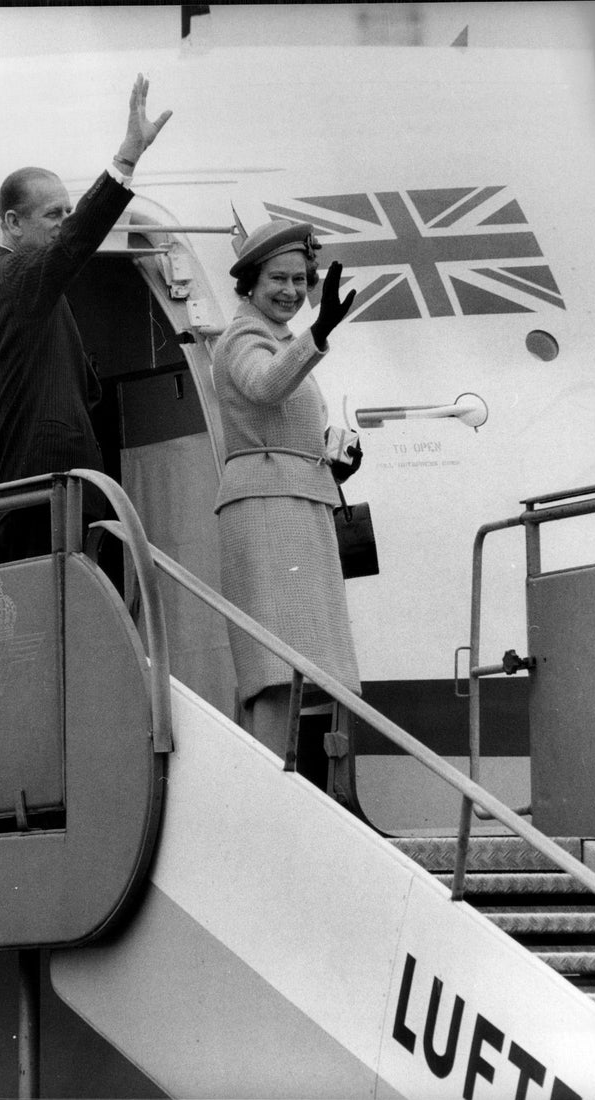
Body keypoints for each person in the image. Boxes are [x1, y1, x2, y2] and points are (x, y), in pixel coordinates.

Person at [0, 74, 172, 562]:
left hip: (65, 495)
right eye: (53, 214)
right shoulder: (0, 279)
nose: (64, 223)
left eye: (68, 211)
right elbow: (75, 243)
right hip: (42, 496)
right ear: (13, 223)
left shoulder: (33, 290)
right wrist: (125, 160)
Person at [213, 220, 362, 758]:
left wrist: (333, 463)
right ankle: (269, 797)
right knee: (275, 672)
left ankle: (287, 793)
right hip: (267, 514)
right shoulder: (242, 337)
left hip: (297, 505)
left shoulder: (276, 338)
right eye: (279, 278)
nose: (292, 292)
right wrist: (317, 334)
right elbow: (265, 386)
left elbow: (279, 423)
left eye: (301, 280)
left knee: (303, 670)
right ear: (250, 282)